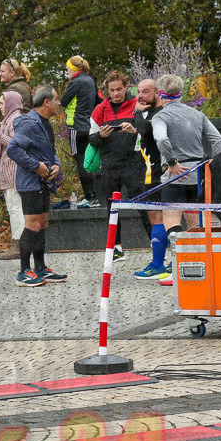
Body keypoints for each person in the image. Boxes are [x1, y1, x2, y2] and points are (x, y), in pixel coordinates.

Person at [151, 73, 221, 254]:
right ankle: (199, 262)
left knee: (171, 222)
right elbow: (217, 139)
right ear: (180, 93)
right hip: (198, 174)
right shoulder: (197, 114)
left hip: (174, 176)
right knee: (195, 225)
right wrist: (214, 166)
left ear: (160, 95)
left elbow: (161, 140)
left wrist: (172, 162)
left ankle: (181, 261)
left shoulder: (161, 117)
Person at [7, 85, 66, 287]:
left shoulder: (45, 123)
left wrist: (56, 164)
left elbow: (50, 151)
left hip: (44, 183)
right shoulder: (29, 123)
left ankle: (40, 268)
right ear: (47, 102)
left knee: (42, 224)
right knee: (32, 225)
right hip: (30, 184)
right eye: (56, 99)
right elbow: (13, 149)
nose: (59, 103)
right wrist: (36, 167)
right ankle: (23, 273)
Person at [88, 70, 146, 262]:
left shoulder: (136, 106)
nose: (116, 93)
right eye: (112, 90)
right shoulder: (99, 110)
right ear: (107, 91)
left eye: (119, 89)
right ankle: (117, 248)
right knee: (112, 209)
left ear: (126, 87)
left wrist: (134, 131)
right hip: (109, 165)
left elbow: (147, 134)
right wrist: (101, 136)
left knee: (143, 205)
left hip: (133, 163)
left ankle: (156, 245)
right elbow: (92, 140)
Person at [130, 79, 172, 281]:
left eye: (146, 92)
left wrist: (137, 113)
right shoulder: (154, 113)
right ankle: (164, 262)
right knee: (160, 216)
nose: (140, 96)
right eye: (138, 91)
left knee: (158, 217)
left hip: (157, 171)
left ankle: (158, 265)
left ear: (158, 94)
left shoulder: (159, 113)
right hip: (153, 169)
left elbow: (147, 130)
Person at [0, 91, 27, 260]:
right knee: (13, 207)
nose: (0, 107)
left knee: (16, 208)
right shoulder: (8, 119)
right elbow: (4, 143)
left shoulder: (16, 119)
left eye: (2, 103)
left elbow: (17, 143)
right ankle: (17, 243)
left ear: (10, 103)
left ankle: (20, 244)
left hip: (14, 172)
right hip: (8, 172)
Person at [60, 55, 99, 206]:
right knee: (90, 159)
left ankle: (89, 196)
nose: (67, 71)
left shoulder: (75, 82)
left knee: (80, 160)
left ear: (73, 68)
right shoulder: (90, 80)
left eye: (68, 68)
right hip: (90, 125)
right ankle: (96, 195)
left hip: (76, 127)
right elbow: (97, 101)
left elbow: (63, 101)